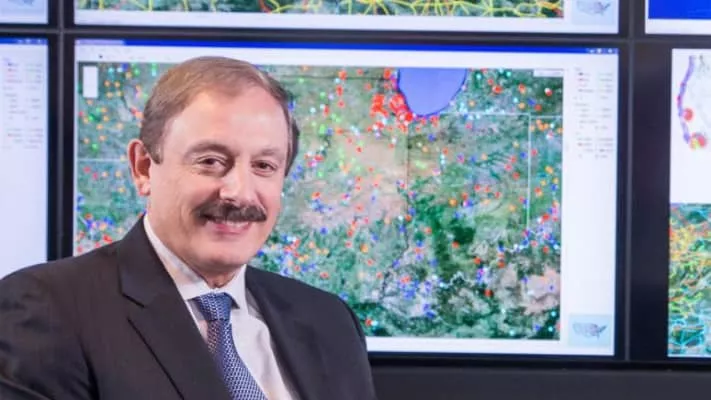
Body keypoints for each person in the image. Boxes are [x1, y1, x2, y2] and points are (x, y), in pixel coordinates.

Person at [0, 56, 377, 400]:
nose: (239, 192)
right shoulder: (48, 310)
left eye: (264, 166)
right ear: (143, 167)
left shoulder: (329, 321)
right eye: (211, 161)